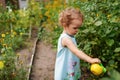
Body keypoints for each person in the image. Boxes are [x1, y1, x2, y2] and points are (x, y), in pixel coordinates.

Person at [54, 7, 101, 80]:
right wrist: (90, 60)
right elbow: (76, 51)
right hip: (65, 71)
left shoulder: (71, 36)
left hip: (71, 69)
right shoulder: (66, 39)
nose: (77, 30)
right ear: (65, 25)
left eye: (78, 28)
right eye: (75, 28)